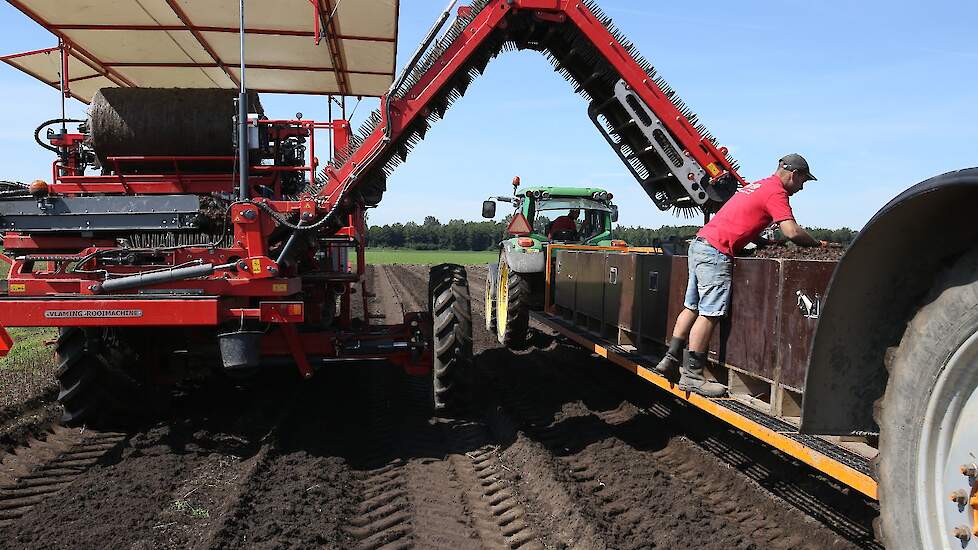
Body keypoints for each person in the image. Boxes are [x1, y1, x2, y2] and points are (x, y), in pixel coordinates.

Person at [654, 154, 827, 396]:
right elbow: (791, 231)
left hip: (701, 243)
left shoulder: (757, 186)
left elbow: (742, 220)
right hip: (716, 251)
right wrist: (817, 245)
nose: (801, 187)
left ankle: (670, 359)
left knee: (691, 306)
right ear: (793, 175)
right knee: (710, 313)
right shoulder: (776, 192)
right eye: (802, 182)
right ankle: (692, 376)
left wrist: (760, 241)